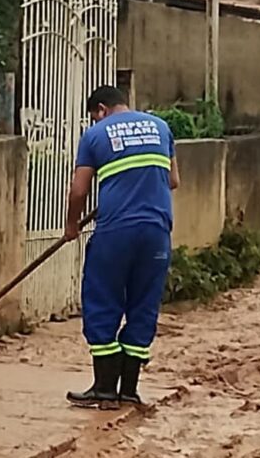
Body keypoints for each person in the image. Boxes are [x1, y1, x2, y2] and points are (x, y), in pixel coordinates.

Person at [64, 86, 180, 410]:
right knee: (143, 307)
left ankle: (103, 390)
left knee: (102, 302)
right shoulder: (160, 127)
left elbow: (78, 190)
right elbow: (173, 181)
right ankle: (128, 391)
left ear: (100, 109)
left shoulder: (96, 135)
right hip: (157, 233)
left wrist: (72, 225)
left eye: (93, 115)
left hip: (116, 233)